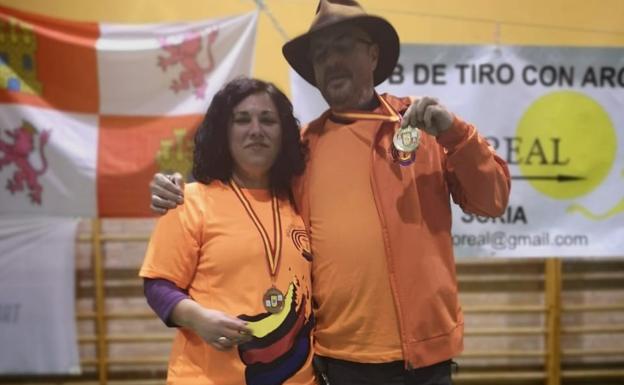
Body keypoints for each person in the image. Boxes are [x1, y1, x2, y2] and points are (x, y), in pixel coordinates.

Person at [149, 1, 511, 384]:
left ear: (372, 54)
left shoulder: (423, 127)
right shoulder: (302, 151)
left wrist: (456, 134)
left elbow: (493, 200)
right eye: (321, 54)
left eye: (343, 46)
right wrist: (175, 185)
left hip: (426, 360)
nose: (331, 60)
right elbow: (239, 186)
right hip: (338, 363)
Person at [140, 77, 316, 385]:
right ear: (225, 132)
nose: (256, 130)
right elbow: (158, 285)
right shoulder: (190, 201)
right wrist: (198, 319)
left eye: (268, 120)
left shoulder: (302, 202)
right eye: (242, 120)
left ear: (284, 134)